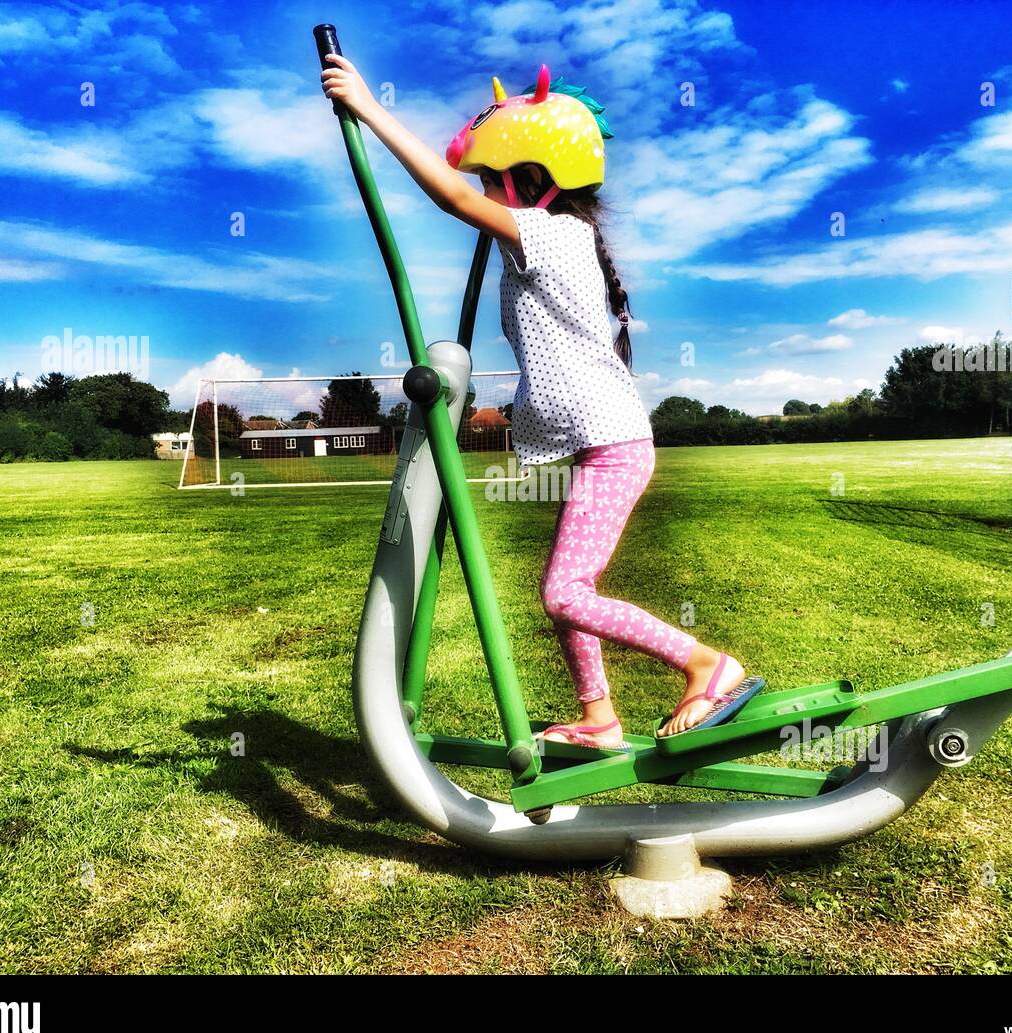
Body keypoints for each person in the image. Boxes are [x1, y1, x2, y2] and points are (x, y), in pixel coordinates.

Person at [323, 55, 762, 747]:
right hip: (600, 445)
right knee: (568, 593)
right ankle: (599, 715)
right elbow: (469, 200)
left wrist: (370, 108)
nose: (488, 192)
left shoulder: (555, 235)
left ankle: (707, 663)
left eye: (498, 180)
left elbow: (455, 199)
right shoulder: (551, 237)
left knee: (565, 593)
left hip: (614, 447)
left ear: (532, 181)